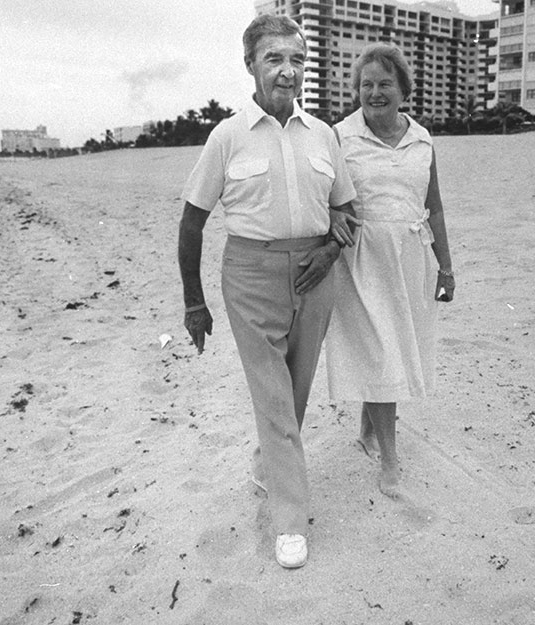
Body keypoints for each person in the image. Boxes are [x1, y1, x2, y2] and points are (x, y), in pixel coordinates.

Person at [177, 15, 356, 569]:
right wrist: (193, 301)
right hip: (251, 276)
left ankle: (267, 466)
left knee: (296, 390)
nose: (287, 70)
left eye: (297, 59)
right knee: (273, 395)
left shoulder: (323, 134)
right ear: (251, 65)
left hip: (317, 272)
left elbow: (347, 209)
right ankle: (289, 520)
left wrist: (331, 249)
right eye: (274, 58)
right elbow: (191, 224)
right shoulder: (226, 136)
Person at [325, 43, 455, 500]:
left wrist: (447, 267)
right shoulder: (339, 137)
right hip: (362, 260)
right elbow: (327, 201)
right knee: (382, 351)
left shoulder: (422, 139)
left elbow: (432, 205)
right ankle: (390, 458)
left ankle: (367, 430)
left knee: (394, 346)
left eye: (384, 84)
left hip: (411, 258)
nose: (374, 92)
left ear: (404, 90)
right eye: (366, 85)